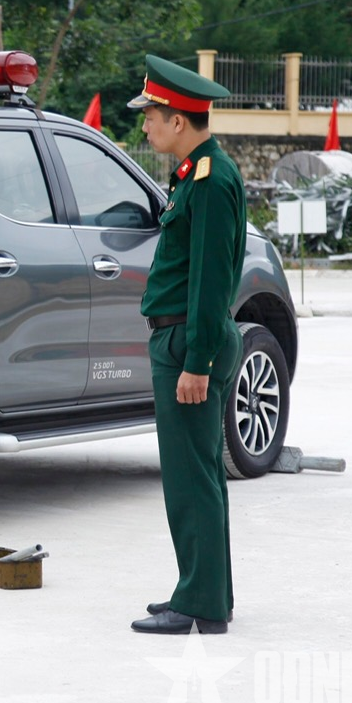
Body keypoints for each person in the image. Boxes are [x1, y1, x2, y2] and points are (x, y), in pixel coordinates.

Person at [127, 55, 246, 635]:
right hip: (179, 340)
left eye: (150, 116)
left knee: (190, 479)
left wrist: (196, 361)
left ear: (177, 120)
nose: (144, 126)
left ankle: (200, 604)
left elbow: (211, 280)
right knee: (199, 475)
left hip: (187, 344)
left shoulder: (211, 179)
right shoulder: (197, 174)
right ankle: (207, 593)